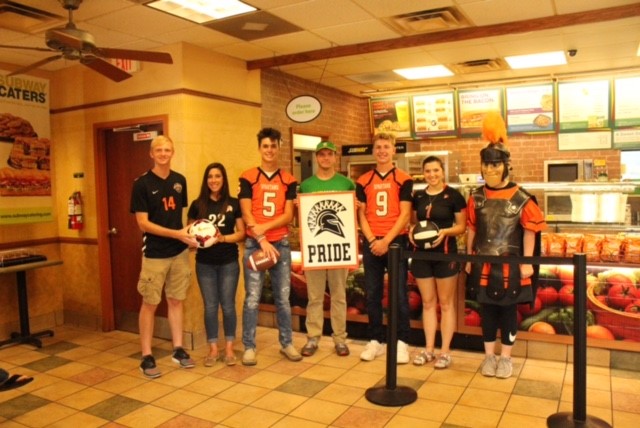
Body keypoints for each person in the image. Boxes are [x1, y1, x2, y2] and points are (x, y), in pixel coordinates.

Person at [465, 112, 546, 379]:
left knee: (508, 312)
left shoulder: (521, 197)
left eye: (495, 165)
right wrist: (468, 258)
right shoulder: (476, 196)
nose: (490, 170)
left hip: (511, 266)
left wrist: (526, 263)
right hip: (484, 262)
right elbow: (472, 229)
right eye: (486, 165)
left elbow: (529, 232)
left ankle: (506, 359)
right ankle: (489, 357)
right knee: (487, 311)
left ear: (506, 166)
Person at [130, 135, 198, 379]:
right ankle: (146, 355)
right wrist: (177, 234)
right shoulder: (141, 184)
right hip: (155, 254)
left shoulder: (180, 180)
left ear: (173, 152)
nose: (163, 153)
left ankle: (178, 349)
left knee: (176, 300)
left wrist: (191, 236)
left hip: (179, 253)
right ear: (151, 153)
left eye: (167, 149)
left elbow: (179, 218)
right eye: (158, 150)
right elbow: (143, 224)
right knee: (149, 303)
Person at [239, 127, 302, 365]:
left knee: (283, 298)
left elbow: (288, 216)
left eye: (273, 146)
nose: (269, 150)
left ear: (279, 148)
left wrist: (264, 230)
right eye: (265, 146)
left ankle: (286, 343)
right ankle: (249, 346)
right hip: (256, 243)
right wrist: (261, 237)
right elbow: (246, 212)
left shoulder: (289, 179)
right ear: (259, 148)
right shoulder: (247, 176)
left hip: (281, 244)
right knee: (252, 298)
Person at [356, 132, 413, 363]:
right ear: (373, 150)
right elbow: (361, 214)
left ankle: (401, 341)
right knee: (373, 294)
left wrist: (386, 241)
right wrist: (372, 241)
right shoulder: (363, 180)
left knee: (398, 294)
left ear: (393, 150)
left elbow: (406, 214)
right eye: (378, 147)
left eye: (386, 147)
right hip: (371, 241)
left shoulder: (403, 178)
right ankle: (375, 340)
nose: (382, 151)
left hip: (395, 241)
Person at [299, 141, 356, 357]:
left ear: (335, 158)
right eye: (321, 155)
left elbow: (352, 213)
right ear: (316, 158)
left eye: (329, 154)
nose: (325, 158)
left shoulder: (347, 184)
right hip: (315, 249)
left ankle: (340, 338)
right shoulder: (306, 185)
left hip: (338, 249)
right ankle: (313, 338)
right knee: (314, 296)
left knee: (339, 295)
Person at [409, 156, 467, 369]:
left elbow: (461, 227)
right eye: (428, 171)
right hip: (422, 256)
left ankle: (445, 352)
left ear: (443, 171)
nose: (432, 175)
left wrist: (444, 232)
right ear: (423, 174)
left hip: (445, 255)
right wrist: (411, 232)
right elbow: (415, 223)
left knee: (446, 303)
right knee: (427, 303)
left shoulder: (454, 196)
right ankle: (429, 349)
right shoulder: (419, 196)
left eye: (435, 170)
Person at [188, 163, 246, 367]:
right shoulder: (197, 204)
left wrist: (222, 238)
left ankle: (229, 348)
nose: (214, 180)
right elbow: (188, 232)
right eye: (210, 176)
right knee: (210, 306)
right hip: (204, 263)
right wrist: (196, 240)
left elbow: (242, 233)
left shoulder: (234, 203)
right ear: (206, 180)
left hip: (228, 262)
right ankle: (213, 348)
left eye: (218, 176)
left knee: (228, 305)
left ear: (223, 179)